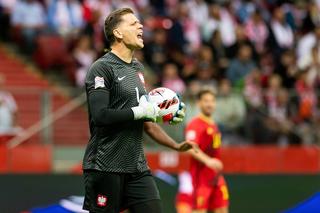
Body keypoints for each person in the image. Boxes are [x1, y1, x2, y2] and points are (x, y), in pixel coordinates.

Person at [82, 8, 197, 213]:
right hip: (105, 166)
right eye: (133, 24)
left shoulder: (138, 68)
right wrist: (139, 112)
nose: (141, 26)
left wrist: (175, 144)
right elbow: (101, 115)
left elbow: (147, 123)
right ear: (117, 33)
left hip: (137, 167)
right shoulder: (101, 68)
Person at [184, 88, 229, 213]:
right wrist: (208, 161)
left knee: (222, 209)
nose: (209, 104)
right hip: (201, 178)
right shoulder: (195, 124)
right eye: (206, 101)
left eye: (212, 101)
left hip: (216, 176)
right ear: (199, 103)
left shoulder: (214, 124)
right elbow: (190, 147)